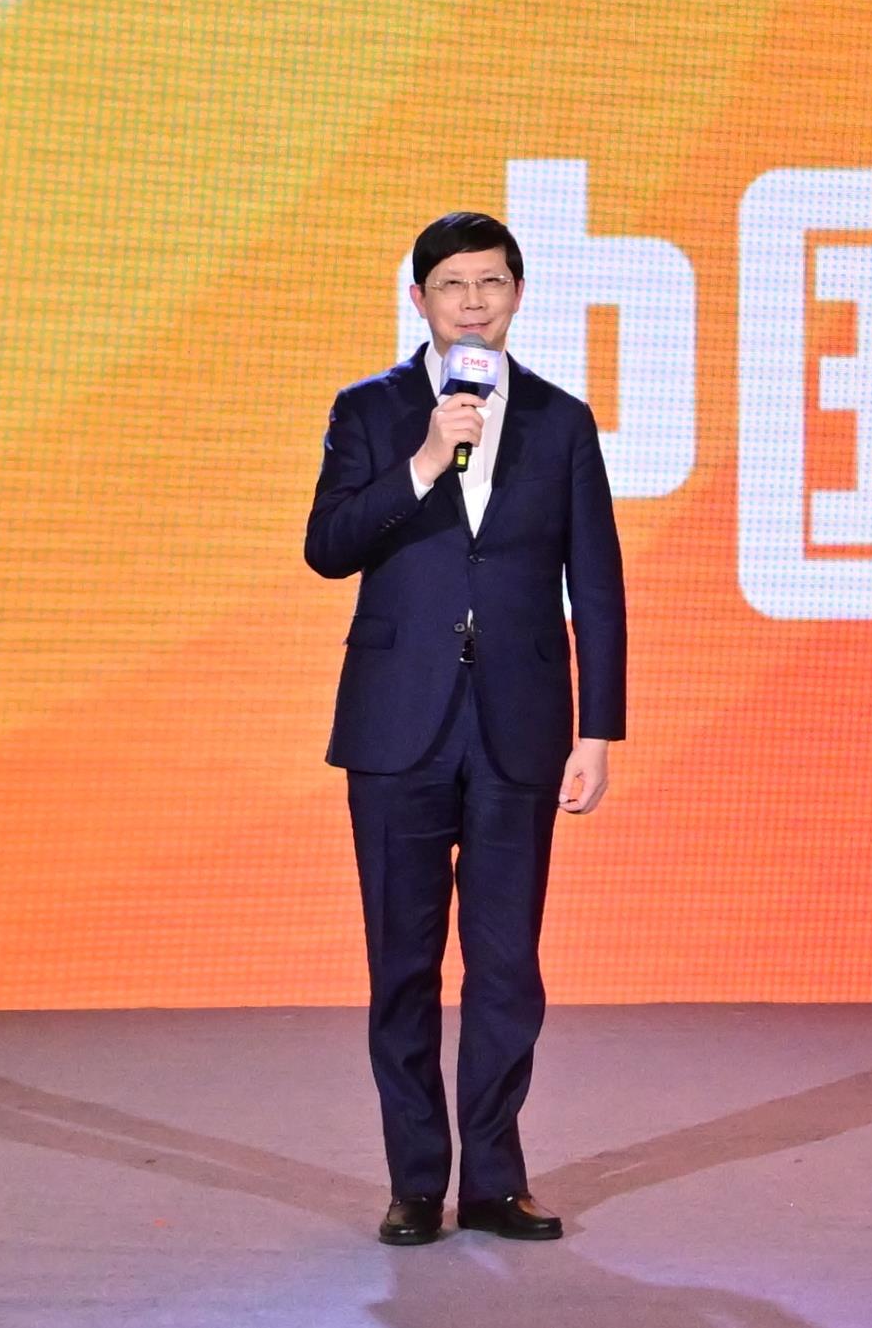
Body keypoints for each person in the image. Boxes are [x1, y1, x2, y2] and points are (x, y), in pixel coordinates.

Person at [304, 210, 626, 1246]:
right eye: (452, 283)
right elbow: (327, 545)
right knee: (401, 964)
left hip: (518, 727)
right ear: (419, 300)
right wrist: (422, 458)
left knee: (505, 965)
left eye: (491, 281)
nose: (473, 300)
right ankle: (414, 1182)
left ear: (517, 295)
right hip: (396, 725)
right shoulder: (370, 409)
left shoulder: (561, 420)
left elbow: (596, 584)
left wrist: (597, 728)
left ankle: (492, 1178)